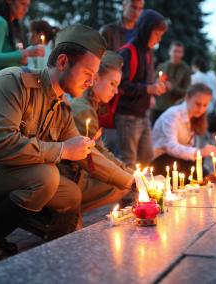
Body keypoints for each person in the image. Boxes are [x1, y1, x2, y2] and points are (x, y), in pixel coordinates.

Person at [0, 24, 133, 270]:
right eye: (88, 72)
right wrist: (63, 150)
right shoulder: (12, 83)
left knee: (70, 194)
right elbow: (0, 146)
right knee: (44, 176)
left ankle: (7, 231)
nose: (92, 81)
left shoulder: (60, 108)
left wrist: (132, 182)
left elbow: (88, 155)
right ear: (63, 62)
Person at [63, 51, 134, 213]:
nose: (115, 92)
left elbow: (100, 152)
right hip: (70, 179)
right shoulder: (83, 110)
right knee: (121, 186)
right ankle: (71, 217)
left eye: (117, 86)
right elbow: (96, 157)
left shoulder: (90, 106)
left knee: (124, 180)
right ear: (95, 79)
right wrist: (133, 177)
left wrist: (130, 172)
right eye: (112, 84)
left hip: (77, 175)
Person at [115, 9, 168, 169]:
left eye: (161, 35)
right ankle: (127, 194)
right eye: (157, 34)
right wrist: (149, 89)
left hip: (142, 114)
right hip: (127, 116)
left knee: (147, 158)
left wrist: (154, 90)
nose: (159, 39)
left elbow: (144, 82)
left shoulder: (148, 52)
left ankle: (142, 193)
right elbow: (121, 85)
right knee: (128, 161)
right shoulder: (128, 51)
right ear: (146, 29)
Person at [98, 0, 145, 155]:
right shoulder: (109, 31)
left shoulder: (141, 34)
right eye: (133, 7)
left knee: (129, 151)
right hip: (109, 96)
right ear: (124, 4)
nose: (136, 12)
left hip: (131, 100)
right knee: (107, 146)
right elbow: (98, 60)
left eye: (140, 9)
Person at [152, 83, 216, 177]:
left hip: (177, 160)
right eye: (198, 104)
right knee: (201, 171)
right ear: (187, 98)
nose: (201, 109)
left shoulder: (195, 118)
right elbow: (171, 147)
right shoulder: (172, 115)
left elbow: (188, 147)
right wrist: (199, 151)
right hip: (161, 161)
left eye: (205, 105)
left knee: (199, 164)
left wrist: (203, 152)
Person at [0, 0, 44, 73]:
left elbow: (19, 52)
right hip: (2, 80)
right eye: (23, 3)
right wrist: (26, 53)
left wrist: (24, 58)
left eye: (27, 5)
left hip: (13, 78)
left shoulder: (15, 26)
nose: (26, 9)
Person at [152, 41, 191, 123]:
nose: (176, 54)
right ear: (170, 52)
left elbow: (188, 92)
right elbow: (152, 83)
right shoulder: (161, 66)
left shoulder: (186, 69)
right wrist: (157, 82)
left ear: (182, 54)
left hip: (175, 109)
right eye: (174, 51)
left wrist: (173, 88)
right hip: (158, 107)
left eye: (179, 52)